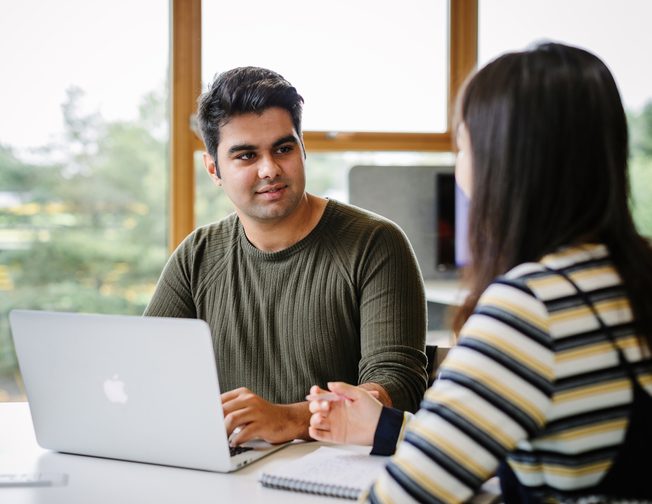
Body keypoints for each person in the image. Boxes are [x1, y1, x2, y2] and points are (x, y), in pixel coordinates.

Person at [308, 42, 652, 503]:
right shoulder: (631, 275)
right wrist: (390, 429)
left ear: (503, 165)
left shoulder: (532, 307)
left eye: (463, 146)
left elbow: (400, 497)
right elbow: (535, 437)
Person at [144, 66, 428, 446]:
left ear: (302, 148)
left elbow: (397, 384)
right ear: (214, 168)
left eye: (283, 148)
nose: (270, 169)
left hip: (333, 472)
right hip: (227, 468)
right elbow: (145, 370)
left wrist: (292, 418)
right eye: (246, 156)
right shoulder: (197, 256)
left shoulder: (375, 243)